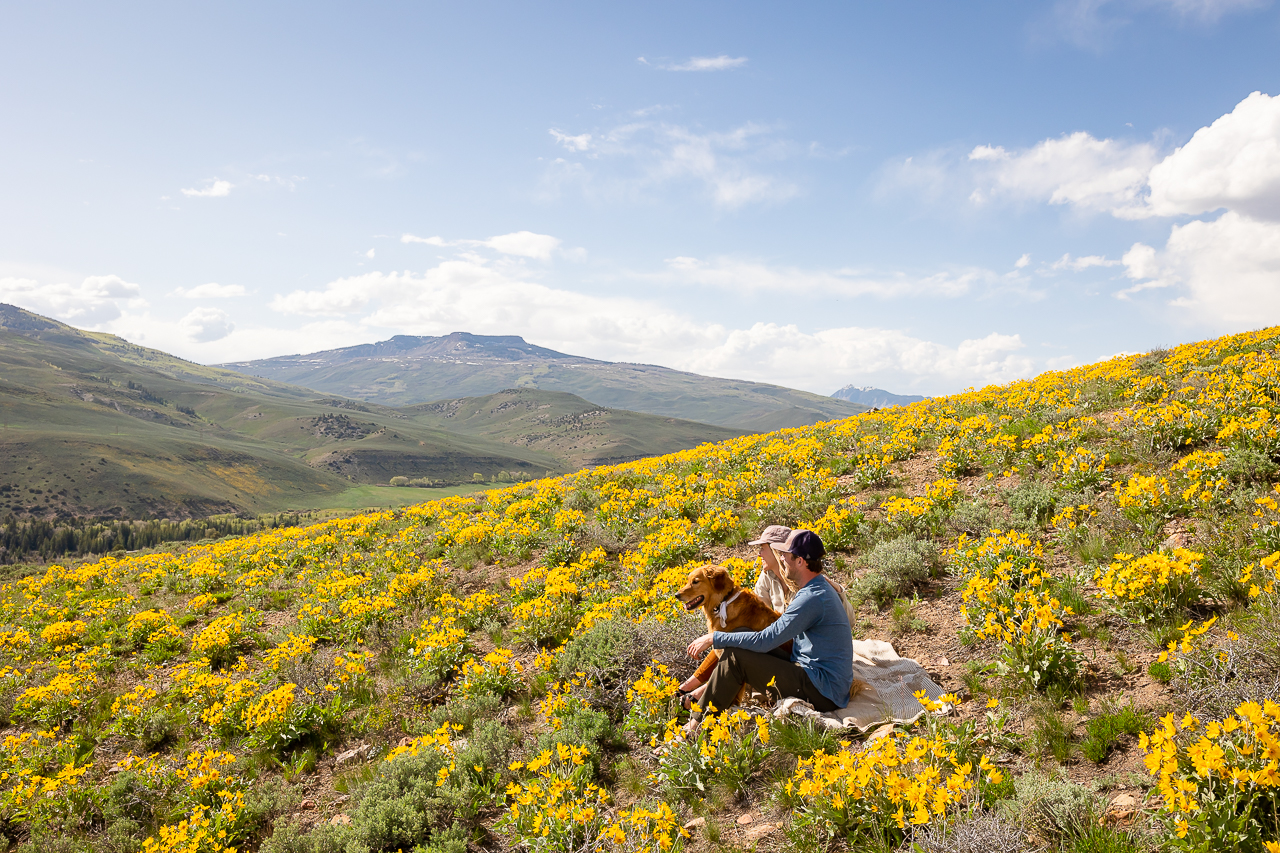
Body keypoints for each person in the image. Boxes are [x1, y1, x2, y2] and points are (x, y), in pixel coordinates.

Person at [684, 529, 854, 724]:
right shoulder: (814, 588)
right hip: (812, 675)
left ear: (801, 561)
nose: (781, 559)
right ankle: (714, 700)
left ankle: (695, 726)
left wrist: (714, 637)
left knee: (736, 657)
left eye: (785, 555)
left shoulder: (812, 597)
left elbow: (765, 641)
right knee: (740, 635)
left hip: (823, 691)